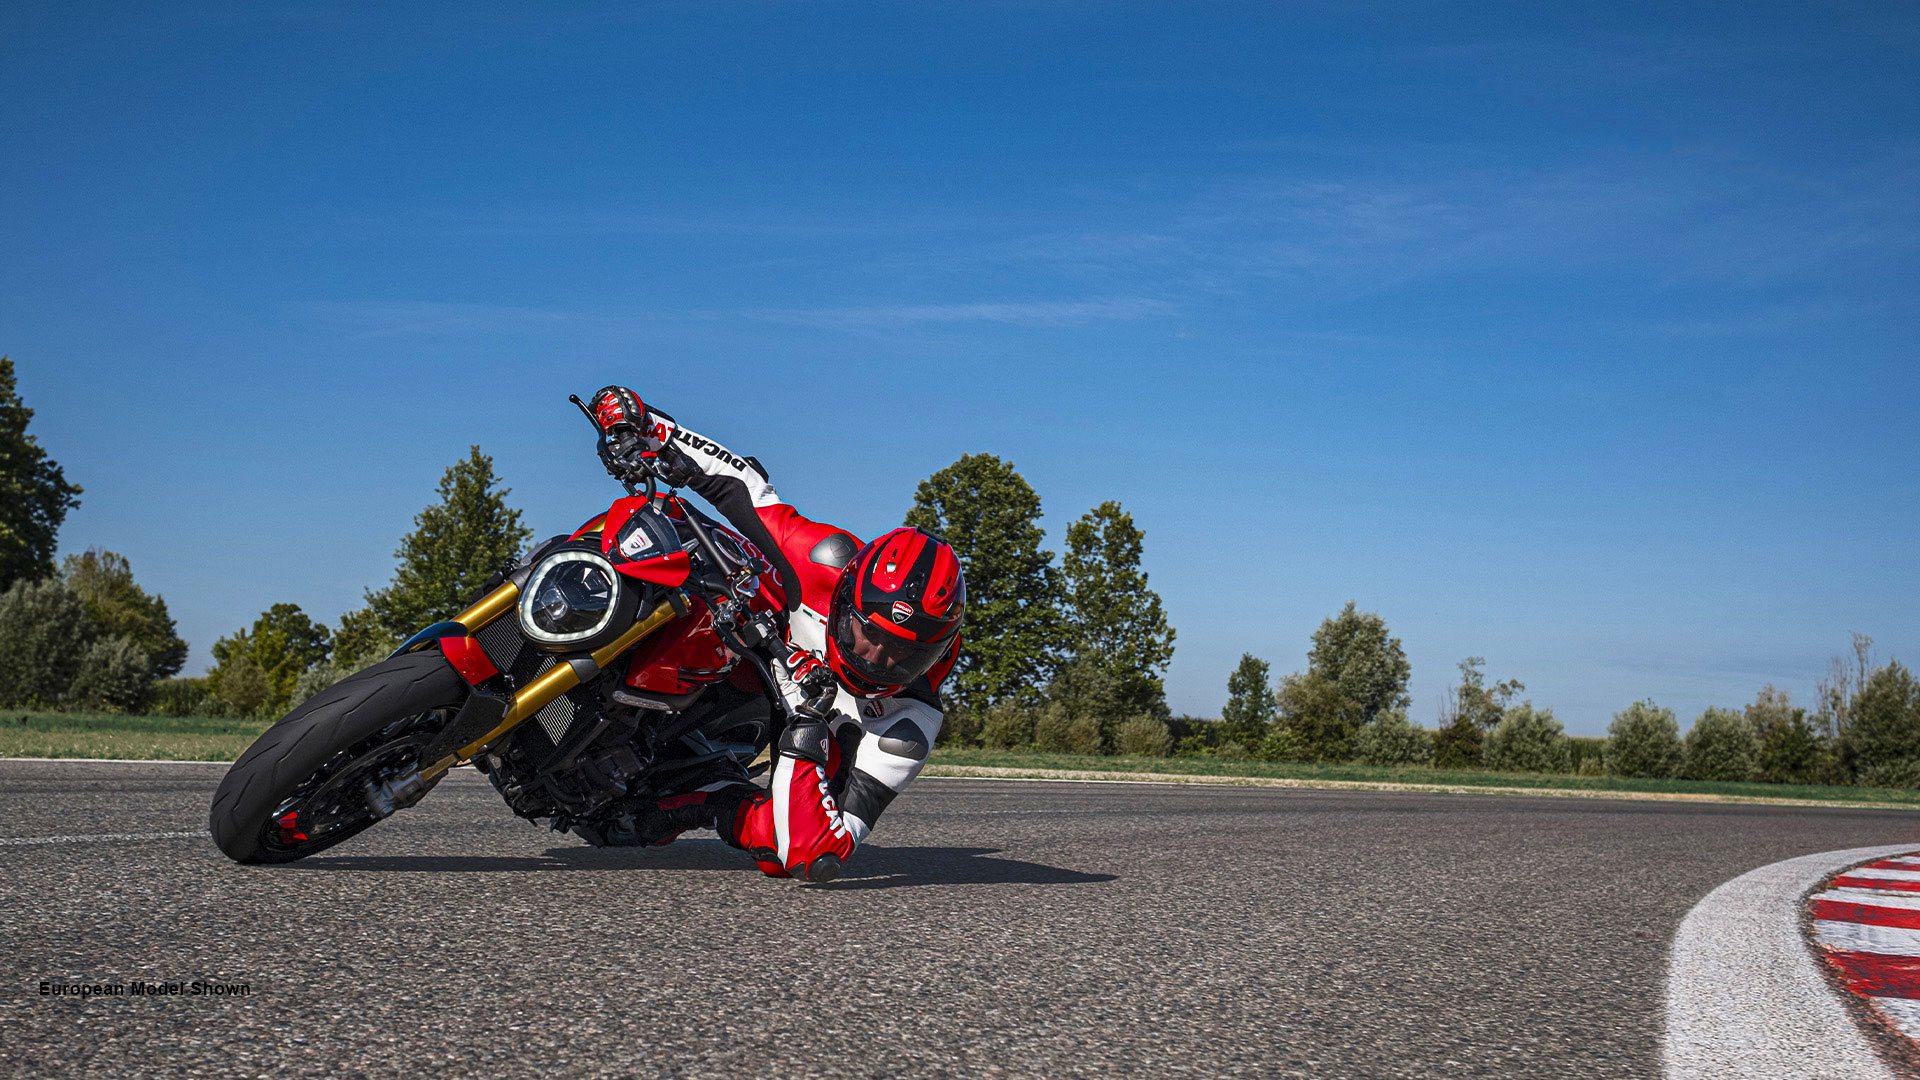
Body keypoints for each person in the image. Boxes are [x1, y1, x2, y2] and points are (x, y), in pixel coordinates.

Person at [587, 385, 964, 883]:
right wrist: (644, 427)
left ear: (935, 654)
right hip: (745, 639)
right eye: (866, 633)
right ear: (846, 592)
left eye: (902, 655)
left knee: (780, 851)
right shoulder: (820, 559)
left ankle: (697, 802)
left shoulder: (907, 727)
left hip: (792, 727)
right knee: (688, 544)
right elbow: (745, 487)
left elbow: (821, 850)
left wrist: (806, 722)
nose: (875, 656)